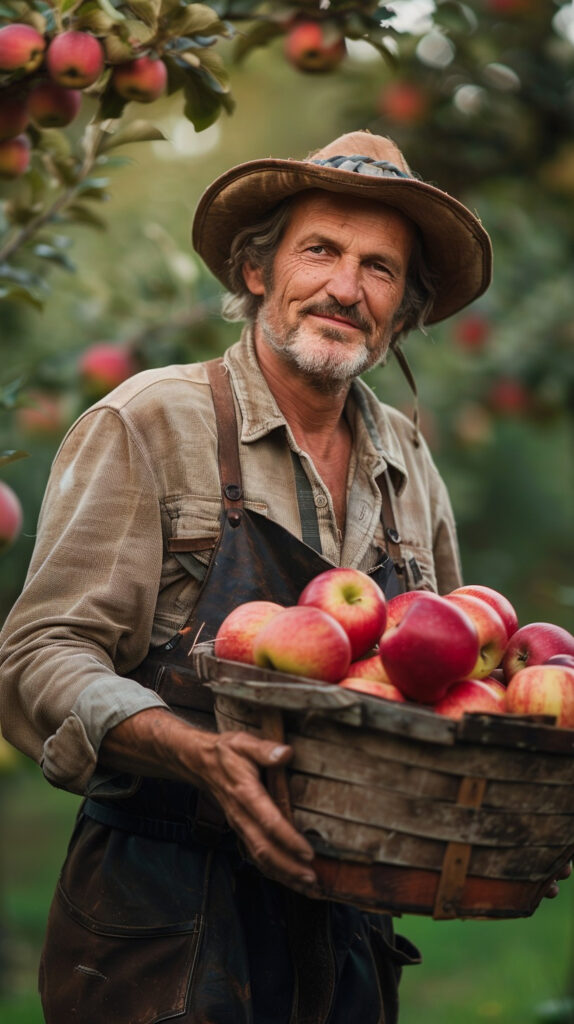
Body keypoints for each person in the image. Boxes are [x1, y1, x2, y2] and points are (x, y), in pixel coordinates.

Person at [0, 130, 499, 1022]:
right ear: (259, 269)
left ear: (403, 306)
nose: (347, 288)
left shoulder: (409, 463)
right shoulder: (151, 421)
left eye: (380, 268)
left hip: (347, 923)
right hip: (161, 912)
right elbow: (40, 654)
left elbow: (461, 677)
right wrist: (197, 753)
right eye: (321, 250)